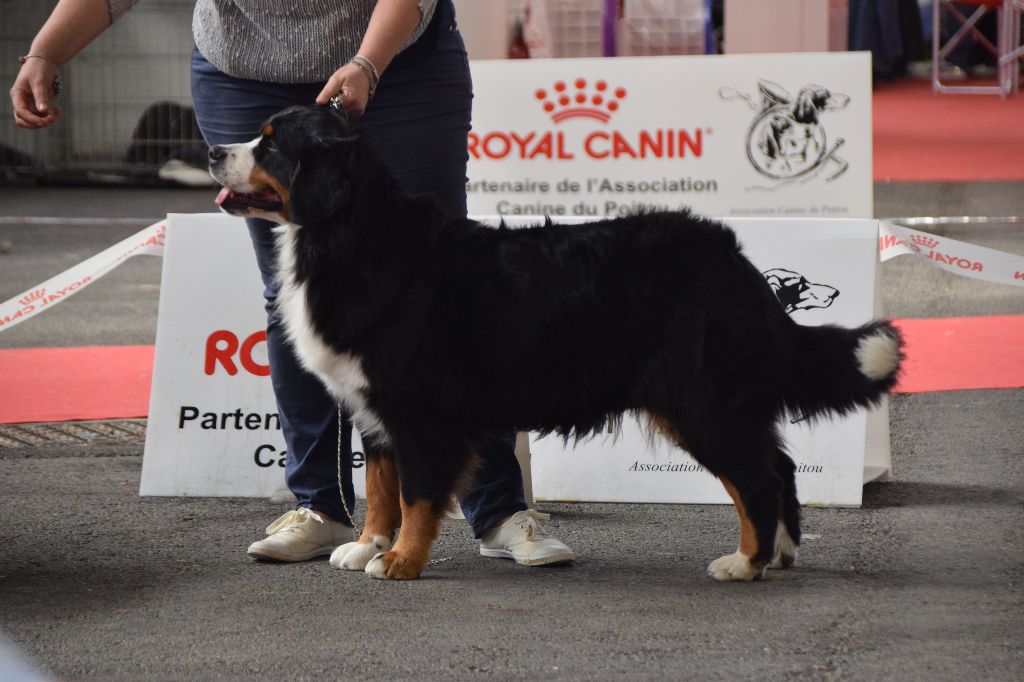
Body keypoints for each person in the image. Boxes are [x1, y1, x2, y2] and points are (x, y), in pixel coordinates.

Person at [11, 0, 574, 568]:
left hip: (399, 61)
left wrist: (368, 63)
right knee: (299, 299)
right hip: (244, 70)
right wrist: (46, 52)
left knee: (450, 292)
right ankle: (323, 506)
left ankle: (498, 509)